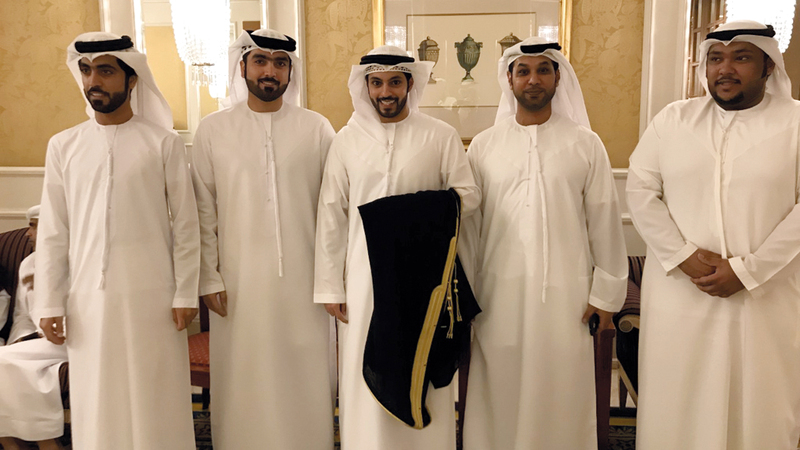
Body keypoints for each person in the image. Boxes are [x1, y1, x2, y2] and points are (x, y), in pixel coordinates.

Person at [627, 20, 800, 449]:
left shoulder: (796, 122)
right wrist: (682, 255)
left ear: (768, 66)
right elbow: (640, 190)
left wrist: (748, 270)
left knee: (760, 407)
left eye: (741, 58)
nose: (725, 69)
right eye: (716, 59)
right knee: (677, 404)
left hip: (766, 299)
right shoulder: (672, 120)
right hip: (680, 296)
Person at [34, 32, 200, 450]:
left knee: (154, 397)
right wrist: (49, 302)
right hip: (87, 302)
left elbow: (186, 224)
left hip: (154, 299)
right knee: (98, 401)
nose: (94, 81)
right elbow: (54, 230)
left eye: (105, 71)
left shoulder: (163, 143)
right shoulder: (63, 146)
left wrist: (185, 293)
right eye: (86, 70)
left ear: (132, 79)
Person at [460, 37, 628, 450]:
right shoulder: (483, 145)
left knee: (561, 386)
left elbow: (604, 221)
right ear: (509, 80)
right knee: (499, 385)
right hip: (497, 294)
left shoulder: (586, 143)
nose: (533, 80)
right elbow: (469, 230)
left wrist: (606, 297)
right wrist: (467, 298)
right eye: (523, 71)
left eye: (543, 70)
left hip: (567, 297)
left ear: (558, 78)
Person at [314, 45, 480, 450]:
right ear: (366, 87)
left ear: (409, 84)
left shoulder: (439, 135)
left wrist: (408, 213)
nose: (385, 91)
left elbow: (468, 195)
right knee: (365, 364)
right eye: (376, 83)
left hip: (425, 279)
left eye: (394, 82)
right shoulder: (346, 141)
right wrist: (331, 286)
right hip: (363, 280)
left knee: (422, 362)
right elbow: (332, 214)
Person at [190, 29, 336, 449]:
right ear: (243, 67)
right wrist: (209, 277)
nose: (270, 71)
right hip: (238, 285)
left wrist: (331, 280)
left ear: (290, 71)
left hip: (305, 283)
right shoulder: (213, 130)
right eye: (260, 61)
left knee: (303, 377)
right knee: (244, 378)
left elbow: (333, 211)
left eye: (280, 62)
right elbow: (202, 212)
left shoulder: (317, 128)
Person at [0, 205, 68, 450]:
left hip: (69, 341)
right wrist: (19, 342)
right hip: (35, 342)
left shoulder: (78, 261)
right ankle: (15, 441)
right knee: (12, 362)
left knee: (4, 361)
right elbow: (22, 315)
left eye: (34, 226)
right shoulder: (28, 263)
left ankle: (42, 442)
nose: (27, 233)